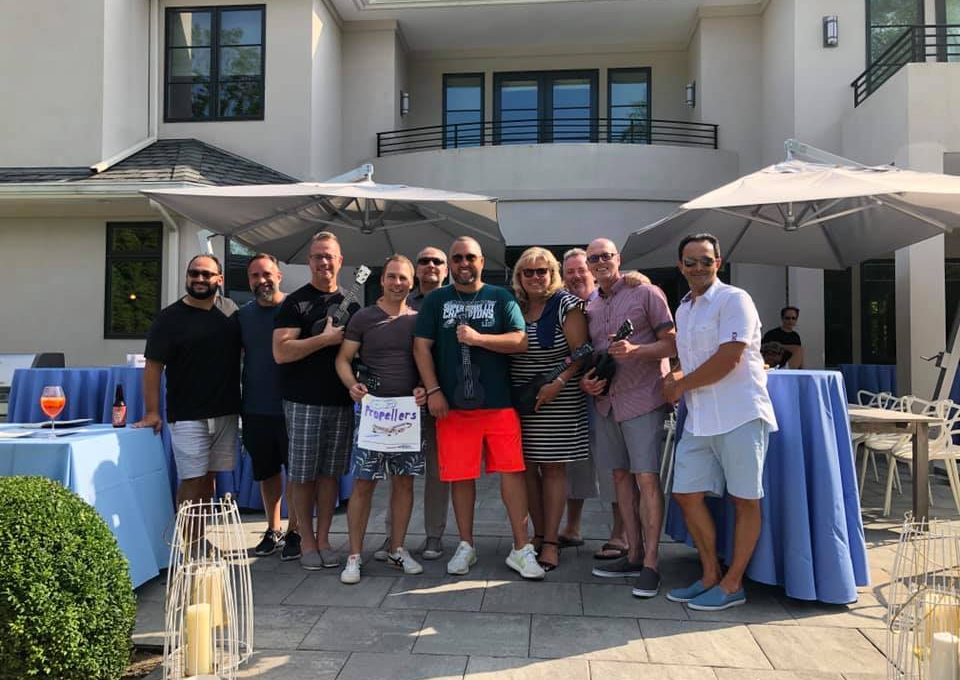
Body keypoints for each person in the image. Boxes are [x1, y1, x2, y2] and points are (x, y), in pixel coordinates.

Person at [413, 236, 545, 580]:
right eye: (457, 258)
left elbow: (520, 341)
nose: (463, 263)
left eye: (470, 257)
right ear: (451, 263)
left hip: (498, 403)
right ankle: (466, 545)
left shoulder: (500, 297)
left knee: (512, 474)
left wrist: (478, 339)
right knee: (460, 477)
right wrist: (434, 390)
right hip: (453, 407)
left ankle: (520, 548)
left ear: (481, 261)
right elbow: (421, 348)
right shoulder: (436, 300)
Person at [663, 233, 778, 611]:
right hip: (700, 418)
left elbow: (729, 358)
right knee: (685, 494)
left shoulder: (735, 300)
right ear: (680, 265)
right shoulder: (684, 309)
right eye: (690, 261)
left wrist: (680, 383)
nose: (698, 267)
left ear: (719, 262)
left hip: (740, 414)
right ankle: (710, 574)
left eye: (705, 260)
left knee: (745, 500)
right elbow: (693, 359)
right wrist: (675, 376)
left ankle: (732, 585)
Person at [581, 238, 675, 599]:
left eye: (607, 256)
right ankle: (633, 553)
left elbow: (672, 342)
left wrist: (638, 350)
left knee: (646, 480)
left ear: (618, 259)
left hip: (643, 398)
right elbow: (594, 353)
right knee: (620, 478)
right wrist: (589, 381)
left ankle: (651, 562)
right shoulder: (590, 302)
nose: (601, 262)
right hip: (606, 403)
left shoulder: (646, 292)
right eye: (595, 258)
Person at [335, 255, 428, 584]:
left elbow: (426, 363)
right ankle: (355, 554)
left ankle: (397, 548)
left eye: (403, 278)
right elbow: (343, 360)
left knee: (404, 482)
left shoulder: (419, 319)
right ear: (382, 280)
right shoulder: (363, 317)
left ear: (412, 282)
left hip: (408, 414)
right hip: (373, 412)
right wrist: (352, 386)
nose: (397, 283)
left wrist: (424, 390)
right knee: (364, 483)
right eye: (392, 277)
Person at [273, 232, 359, 571]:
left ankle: (324, 539)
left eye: (330, 256)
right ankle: (306, 541)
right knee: (303, 476)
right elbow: (281, 351)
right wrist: (322, 340)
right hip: (303, 402)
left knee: (330, 476)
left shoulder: (352, 305)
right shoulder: (295, 303)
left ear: (340, 261)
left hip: (340, 402)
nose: (324, 262)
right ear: (310, 261)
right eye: (317, 256)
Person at [136, 254, 241, 508]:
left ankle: (200, 539)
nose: (199, 279)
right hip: (186, 415)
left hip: (226, 411)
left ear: (220, 279)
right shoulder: (168, 318)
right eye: (194, 273)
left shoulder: (231, 311)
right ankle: (189, 546)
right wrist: (151, 412)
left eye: (206, 274)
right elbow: (152, 367)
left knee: (210, 478)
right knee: (192, 480)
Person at [509, 247, 590, 572]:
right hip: (523, 401)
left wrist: (559, 381)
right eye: (528, 272)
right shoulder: (515, 305)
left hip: (559, 399)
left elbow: (583, 350)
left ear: (552, 273)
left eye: (542, 271)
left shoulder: (566, 305)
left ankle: (553, 542)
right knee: (526, 467)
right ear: (519, 277)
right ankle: (539, 534)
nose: (535, 277)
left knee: (553, 468)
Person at [374, 245, 450, 563]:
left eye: (437, 261)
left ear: (445, 270)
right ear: (416, 270)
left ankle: (434, 535)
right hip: (403, 401)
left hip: (440, 398)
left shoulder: (453, 302)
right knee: (398, 475)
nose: (430, 265)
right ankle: (395, 536)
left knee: (438, 471)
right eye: (424, 261)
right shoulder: (401, 302)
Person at [238, 253, 300, 560]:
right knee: (267, 473)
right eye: (255, 276)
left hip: (294, 406)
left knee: (297, 473)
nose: (262, 281)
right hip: (255, 407)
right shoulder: (243, 316)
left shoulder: (296, 308)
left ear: (279, 276)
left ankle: (295, 531)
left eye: (267, 274)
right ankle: (273, 528)